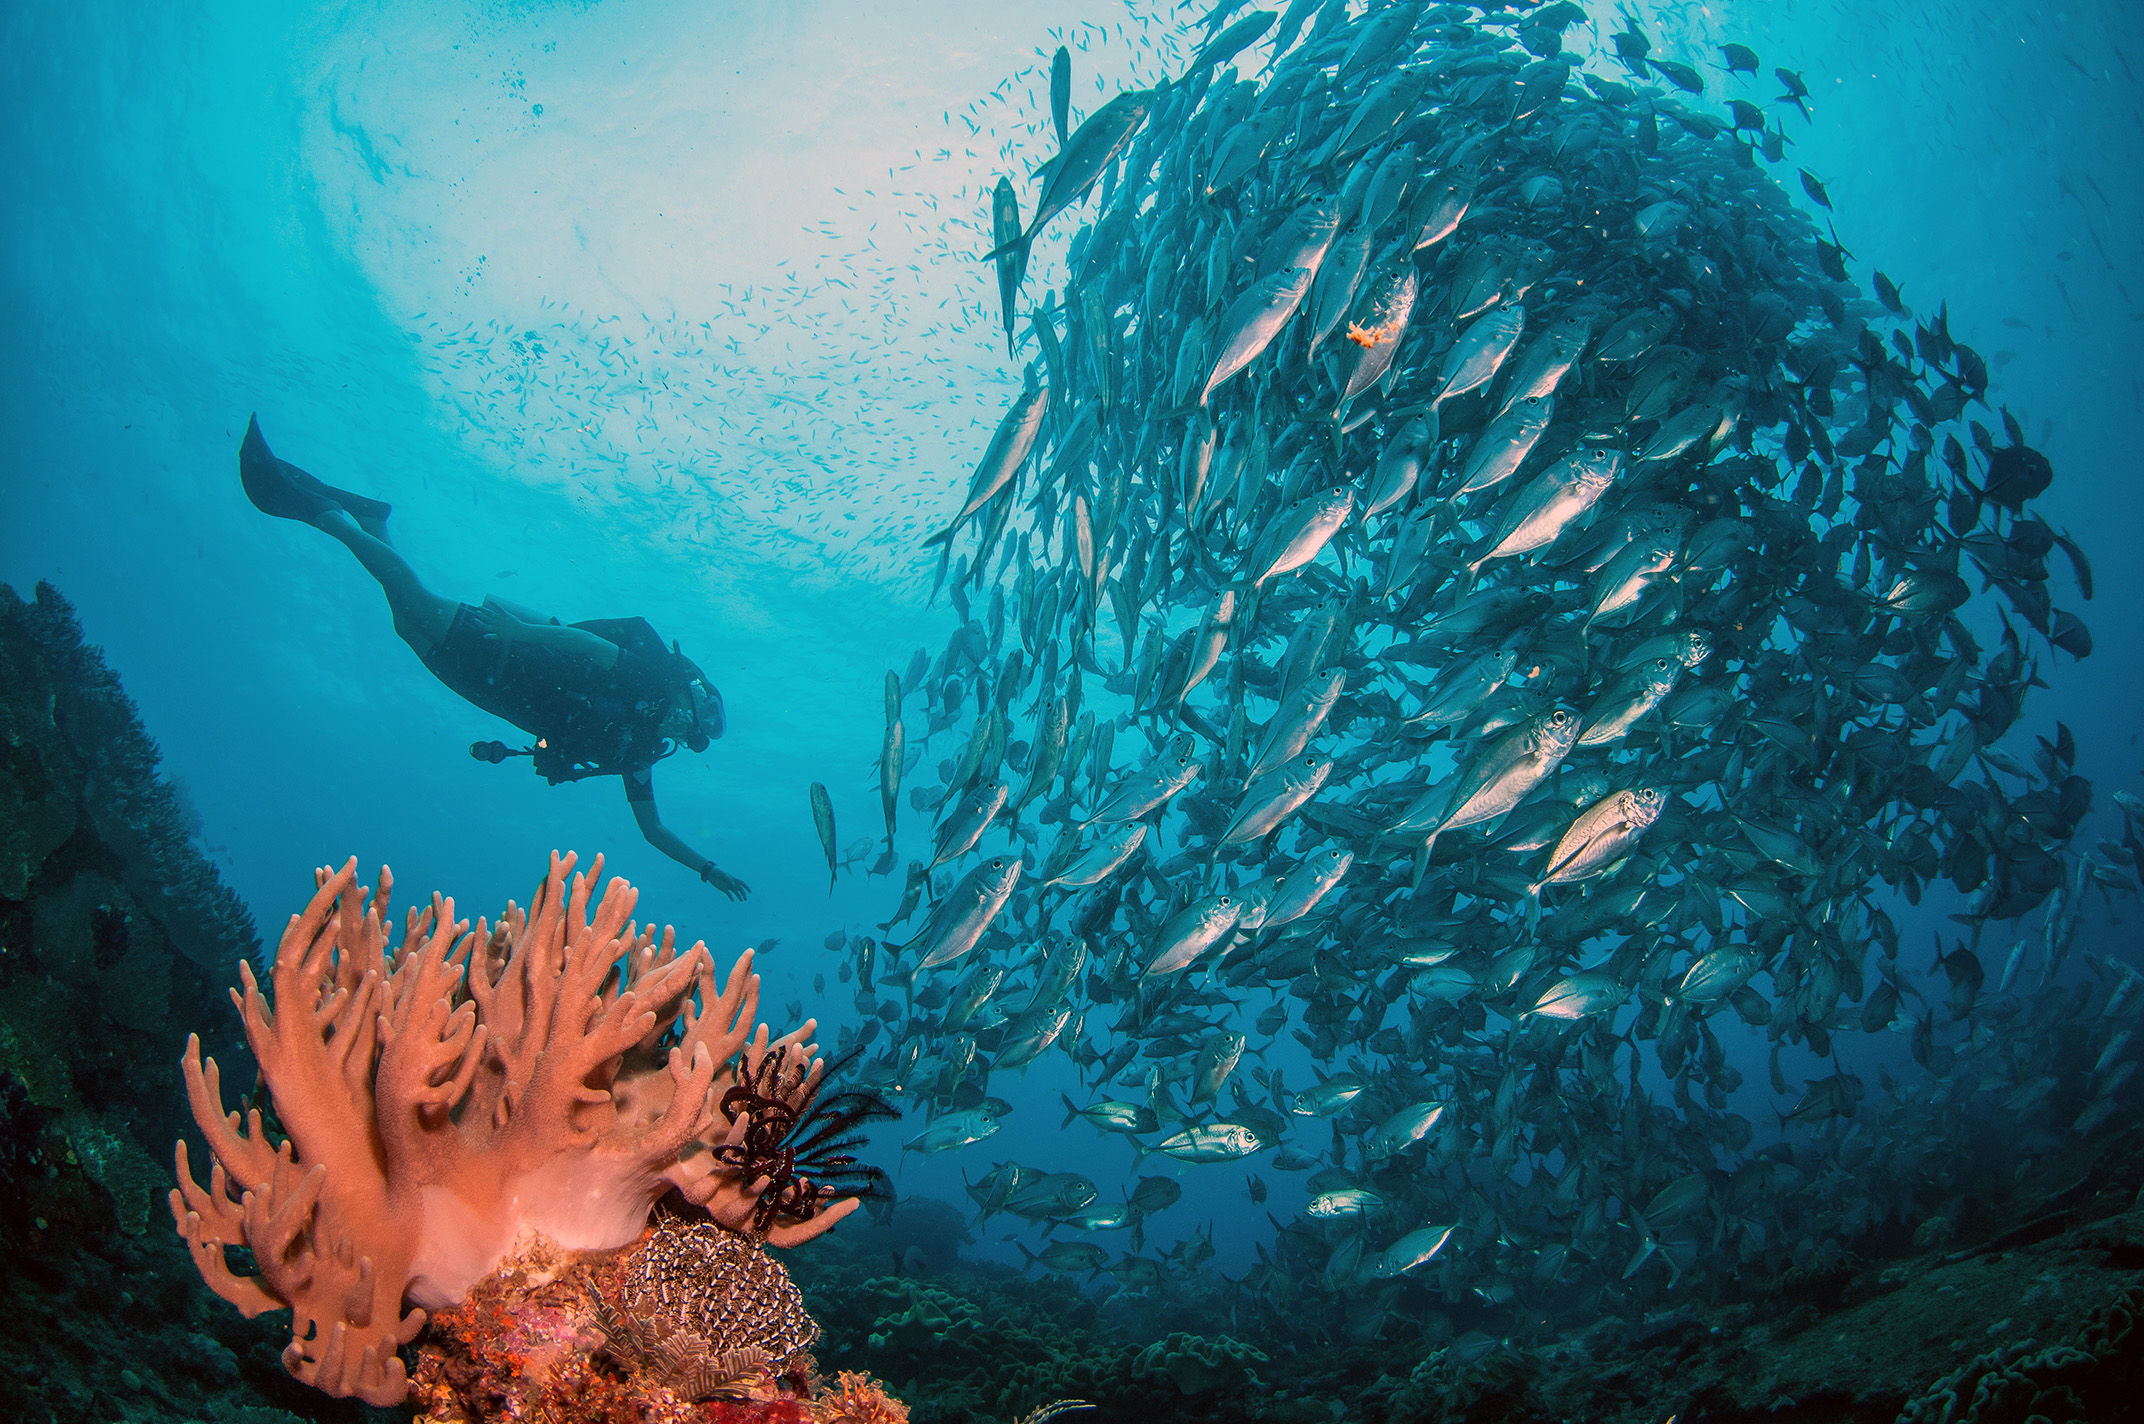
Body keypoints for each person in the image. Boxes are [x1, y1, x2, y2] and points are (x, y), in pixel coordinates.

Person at [237, 415, 750, 900]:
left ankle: (372, 521)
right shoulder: (650, 682)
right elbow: (590, 645)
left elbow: (652, 829)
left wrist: (707, 870)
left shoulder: (641, 748)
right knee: (412, 599)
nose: (692, 723)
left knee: (406, 624)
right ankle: (323, 516)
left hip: (496, 691)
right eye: (703, 707)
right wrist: (516, 629)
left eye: (702, 727)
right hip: (508, 652)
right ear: (692, 687)